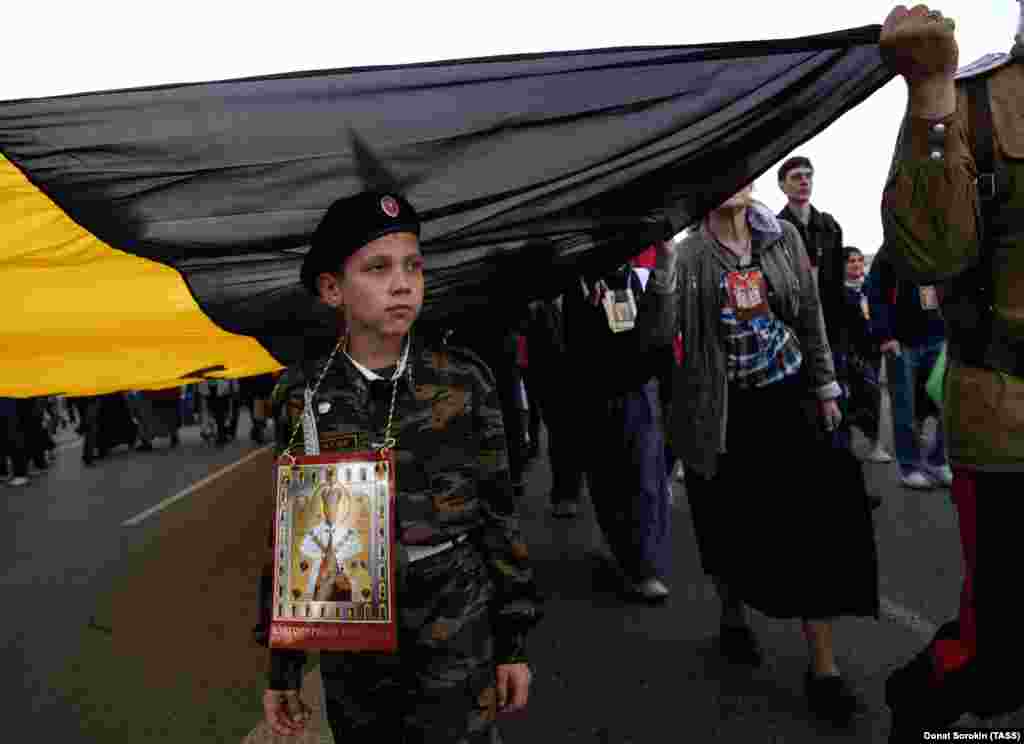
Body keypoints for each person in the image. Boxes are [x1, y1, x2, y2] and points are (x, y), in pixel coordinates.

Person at [261, 190, 541, 741]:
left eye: (413, 265)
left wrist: (513, 643)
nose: (402, 282)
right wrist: (284, 668)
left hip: (456, 611)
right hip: (354, 623)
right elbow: (293, 538)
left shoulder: (464, 380)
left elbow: (499, 515)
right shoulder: (301, 394)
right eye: (378, 267)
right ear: (331, 289)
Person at [637, 184, 879, 726]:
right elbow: (657, 335)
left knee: (811, 529)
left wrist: (826, 388)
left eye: (747, 170)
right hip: (722, 415)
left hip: (788, 400)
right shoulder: (692, 253)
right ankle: (732, 613)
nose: (738, 182)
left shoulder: (782, 237)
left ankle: (824, 667)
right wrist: (665, 264)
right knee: (726, 521)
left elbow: (811, 314)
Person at [878, 3, 1024, 737]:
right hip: (1006, 415)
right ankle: (919, 713)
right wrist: (931, 92)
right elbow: (929, 256)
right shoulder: (975, 100)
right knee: (1000, 652)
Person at [562, 254, 675, 602]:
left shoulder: (641, 276)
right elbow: (573, 339)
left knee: (646, 478)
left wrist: (666, 264)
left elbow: (662, 333)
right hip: (594, 391)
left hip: (638, 387)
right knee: (607, 480)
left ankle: (645, 566)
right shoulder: (577, 278)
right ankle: (624, 554)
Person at [865, 250, 950, 489]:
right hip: (902, 343)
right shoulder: (890, 252)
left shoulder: (938, 246)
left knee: (948, 403)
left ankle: (938, 460)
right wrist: (885, 335)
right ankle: (909, 466)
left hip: (938, 337)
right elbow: (876, 294)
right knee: (904, 407)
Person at [843, 247, 892, 464]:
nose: (856, 264)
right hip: (852, 353)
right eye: (851, 261)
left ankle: (875, 445)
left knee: (873, 396)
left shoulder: (870, 286)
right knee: (852, 398)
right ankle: (850, 446)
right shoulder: (839, 292)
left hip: (872, 350)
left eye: (860, 260)